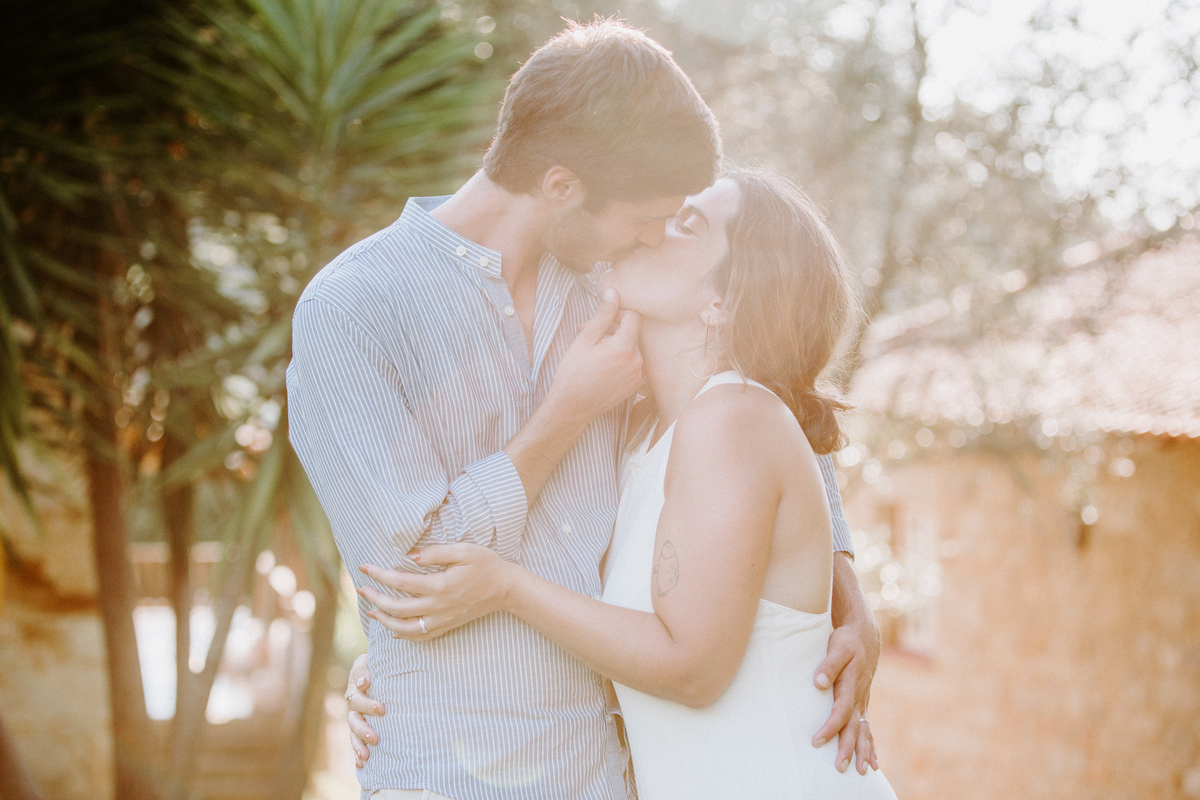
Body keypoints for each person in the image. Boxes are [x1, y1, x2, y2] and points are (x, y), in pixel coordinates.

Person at [288, 19, 877, 800]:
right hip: (454, 780)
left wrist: (845, 598)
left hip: (612, 772)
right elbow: (412, 580)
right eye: (647, 217)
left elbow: (764, 392)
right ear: (561, 186)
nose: (655, 235)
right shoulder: (353, 311)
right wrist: (565, 414)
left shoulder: (612, 288)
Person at [354, 170, 895, 799]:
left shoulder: (733, 417)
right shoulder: (637, 433)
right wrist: (402, 673)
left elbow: (692, 670)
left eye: (686, 224)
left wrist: (505, 588)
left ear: (723, 300)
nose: (653, 228)